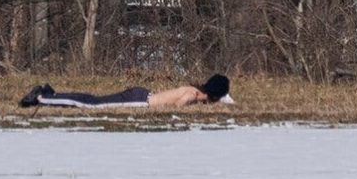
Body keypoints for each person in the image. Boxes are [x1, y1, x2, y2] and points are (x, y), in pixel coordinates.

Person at [19, 74, 235, 109]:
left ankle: (52, 94)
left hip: (141, 94)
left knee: (93, 100)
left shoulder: (193, 89)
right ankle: (41, 98)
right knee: (91, 105)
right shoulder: (193, 96)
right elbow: (177, 108)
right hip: (139, 101)